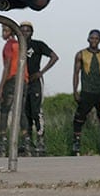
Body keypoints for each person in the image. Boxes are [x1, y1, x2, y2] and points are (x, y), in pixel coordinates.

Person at [71, 29, 100, 156]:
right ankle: (76, 142)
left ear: (99, 39)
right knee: (79, 118)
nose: (94, 40)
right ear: (88, 39)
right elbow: (76, 73)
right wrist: (75, 91)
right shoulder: (81, 54)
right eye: (92, 38)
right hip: (87, 91)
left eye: (96, 38)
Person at [20, 21, 59, 156]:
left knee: (37, 111)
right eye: (22, 30)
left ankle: (40, 140)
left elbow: (54, 57)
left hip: (35, 81)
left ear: (32, 32)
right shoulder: (17, 46)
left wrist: (41, 72)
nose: (25, 33)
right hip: (21, 83)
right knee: (25, 112)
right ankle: (27, 142)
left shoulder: (38, 45)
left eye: (28, 31)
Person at [0, 25, 29, 157]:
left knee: (4, 110)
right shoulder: (20, 45)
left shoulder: (9, 45)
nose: (3, 33)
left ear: (11, 32)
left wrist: (1, 86)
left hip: (12, 79)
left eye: (5, 31)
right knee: (21, 111)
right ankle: (26, 142)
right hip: (24, 80)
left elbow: (7, 65)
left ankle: (2, 141)